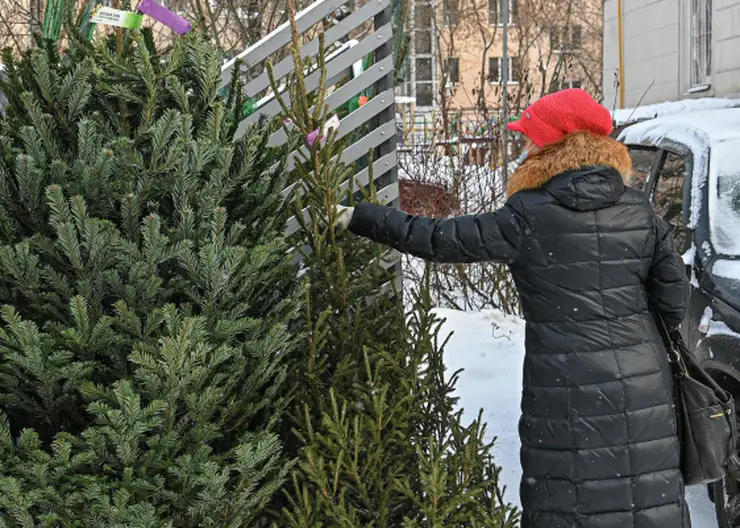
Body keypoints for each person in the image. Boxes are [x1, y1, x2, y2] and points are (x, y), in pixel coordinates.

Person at [335, 88, 691, 528]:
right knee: (645, 497)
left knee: (570, 497)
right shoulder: (640, 211)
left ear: (551, 144)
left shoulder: (527, 214)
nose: (526, 146)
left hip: (565, 385)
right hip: (643, 383)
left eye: (532, 138)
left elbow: (439, 240)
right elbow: (674, 301)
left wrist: (362, 217)